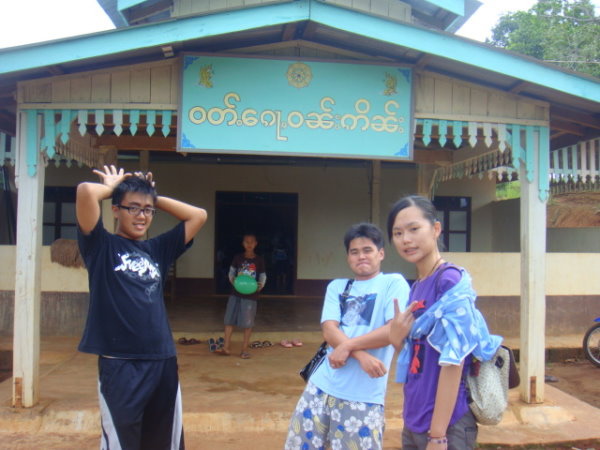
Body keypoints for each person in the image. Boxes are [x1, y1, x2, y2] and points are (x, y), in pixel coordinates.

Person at [76, 165, 207, 450]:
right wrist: (114, 187)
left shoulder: (157, 249)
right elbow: (85, 191)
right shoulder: (100, 246)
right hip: (120, 363)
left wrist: (151, 196)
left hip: (162, 360)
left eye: (147, 210)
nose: (141, 216)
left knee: (163, 441)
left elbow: (198, 216)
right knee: (121, 442)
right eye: (133, 208)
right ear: (115, 210)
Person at [387, 195, 502, 450]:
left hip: (447, 425)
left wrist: (437, 436)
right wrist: (397, 340)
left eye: (414, 229)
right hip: (415, 418)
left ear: (436, 229)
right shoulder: (417, 286)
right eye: (398, 233)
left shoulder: (449, 281)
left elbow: (454, 361)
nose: (406, 239)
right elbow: (419, 358)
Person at [284, 223, 410, 450]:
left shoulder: (394, 283)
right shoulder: (338, 287)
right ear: (348, 257)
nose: (361, 256)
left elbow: (393, 330)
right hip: (320, 387)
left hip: (363, 395)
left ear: (381, 253)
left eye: (367, 250)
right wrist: (361, 355)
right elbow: (329, 330)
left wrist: (346, 346)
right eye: (354, 252)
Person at [216, 232, 266, 359]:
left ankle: (244, 350)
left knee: (248, 323)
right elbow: (232, 272)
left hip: (251, 296)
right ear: (243, 244)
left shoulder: (259, 260)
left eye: (251, 242)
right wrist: (233, 281)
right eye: (246, 242)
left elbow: (262, 276)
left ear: (255, 244)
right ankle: (226, 347)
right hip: (235, 293)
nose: (249, 244)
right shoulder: (238, 258)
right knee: (229, 320)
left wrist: (260, 285)